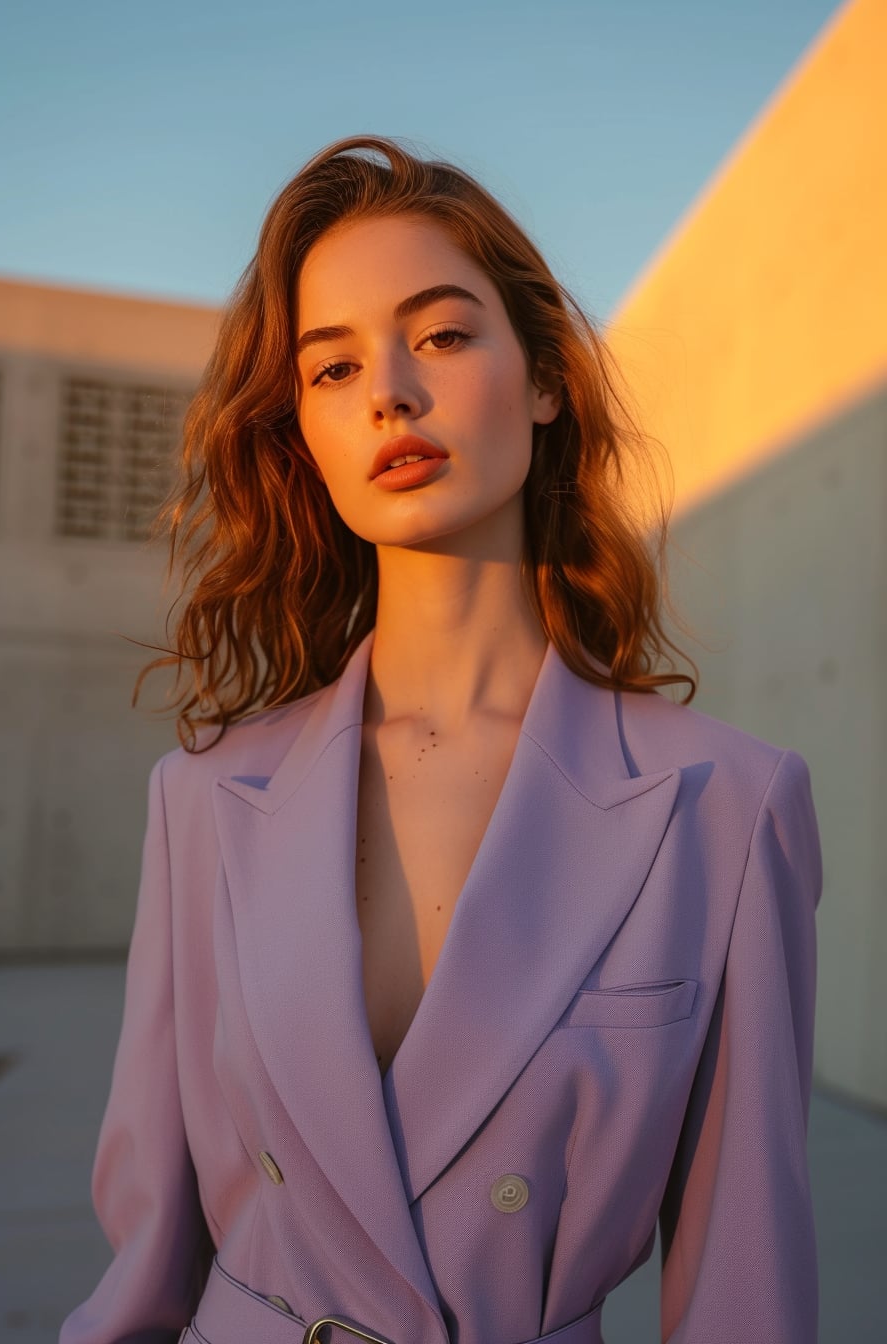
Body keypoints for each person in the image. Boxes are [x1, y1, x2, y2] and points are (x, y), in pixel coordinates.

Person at [61, 136, 821, 1344]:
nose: (389, 394)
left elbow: (746, 1285)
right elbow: (145, 1269)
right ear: (300, 434)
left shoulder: (724, 804)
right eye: (331, 367)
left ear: (543, 379)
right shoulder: (204, 797)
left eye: (444, 335)